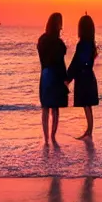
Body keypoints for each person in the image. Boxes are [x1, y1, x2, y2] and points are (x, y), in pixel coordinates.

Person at [37, 13, 69, 145]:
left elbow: (41, 59)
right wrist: (65, 79)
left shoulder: (42, 40)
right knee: (55, 108)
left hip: (45, 74)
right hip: (55, 74)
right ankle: (53, 136)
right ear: (57, 25)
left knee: (45, 107)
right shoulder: (59, 43)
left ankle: (46, 139)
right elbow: (61, 63)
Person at [68, 14, 99, 139]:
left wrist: (68, 76)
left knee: (87, 105)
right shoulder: (91, 43)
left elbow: (77, 61)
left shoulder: (83, 44)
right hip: (88, 76)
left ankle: (89, 131)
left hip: (84, 77)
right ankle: (89, 130)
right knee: (87, 105)